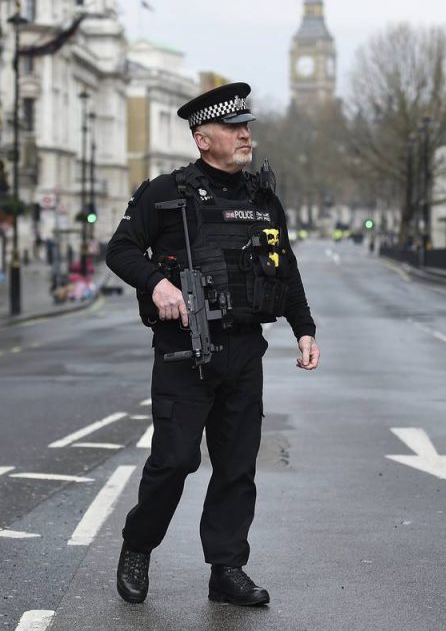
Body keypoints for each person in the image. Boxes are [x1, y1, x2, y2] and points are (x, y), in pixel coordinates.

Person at [105, 82, 320, 607]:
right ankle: (138, 546)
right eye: (233, 127)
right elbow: (121, 250)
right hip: (185, 353)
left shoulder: (263, 198)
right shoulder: (166, 193)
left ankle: (227, 569)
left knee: (237, 467)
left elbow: (285, 267)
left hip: (244, 351)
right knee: (175, 461)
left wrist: (304, 328)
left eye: (246, 126)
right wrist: (158, 283)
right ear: (203, 139)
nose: (245, 135)